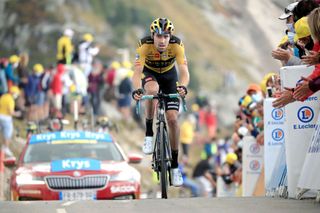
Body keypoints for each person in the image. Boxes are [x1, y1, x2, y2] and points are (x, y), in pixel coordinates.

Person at [131, 18, 190, 187]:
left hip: (170, 77)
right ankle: (149, 131)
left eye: (166, 36)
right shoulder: (144, 45)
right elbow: (136, 73)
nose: (163, 40)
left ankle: (175, 165)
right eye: (159, 36)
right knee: (151, 90)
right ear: (153, 36)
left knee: (172, 119)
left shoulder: (177, 45)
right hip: (150, 75)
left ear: (170, 36)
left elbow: (184, 72)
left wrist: (183, 86)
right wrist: (136, 89)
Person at [0, 86, 20, 159]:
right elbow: (11, 112)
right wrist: (18, 114)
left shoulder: (3, 96)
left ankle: (3, 147)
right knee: (7, 134)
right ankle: (6, 148)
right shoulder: (11, 100)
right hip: (6, 118)